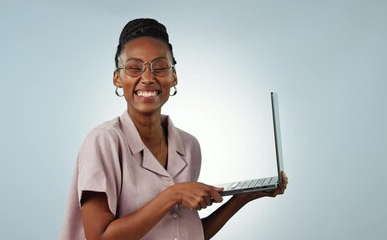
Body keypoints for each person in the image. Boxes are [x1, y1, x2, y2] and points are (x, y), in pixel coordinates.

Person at [60, 18, 288, 240]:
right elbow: (99, 237)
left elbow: (184, 232)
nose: (148, 78)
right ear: (117, 79)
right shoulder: (103, 142)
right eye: (134, 68)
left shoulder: (189, 147)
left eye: (160, 67)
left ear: (173, 77)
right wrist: (173, 195)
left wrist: (241, 198)